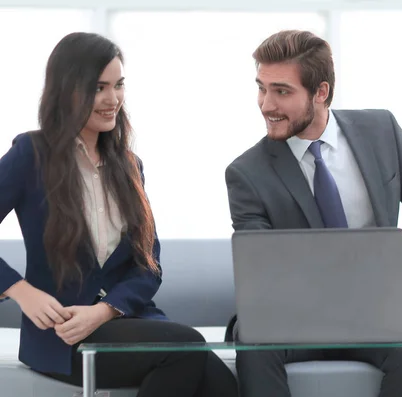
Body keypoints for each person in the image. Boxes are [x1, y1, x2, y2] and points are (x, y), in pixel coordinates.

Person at [0, 32, 237, 397]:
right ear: (67, 90)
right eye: (99, 87)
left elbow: (148, 263)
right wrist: (20, 291)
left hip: (124, 320)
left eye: (119, 85)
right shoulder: (31, 154)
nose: (113, 99)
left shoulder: (128, 165)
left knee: (222, 383)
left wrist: (106, 310)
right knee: (185, 348)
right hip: (64, 337)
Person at [224, 29, 402, 397]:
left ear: (321, 92)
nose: (266, 104)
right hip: (291, 319)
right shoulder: (246, 173)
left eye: (281, 91)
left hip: (375, 316)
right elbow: (262, 270)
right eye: (262, 88)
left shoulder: (381, 131)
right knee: (252, 338)